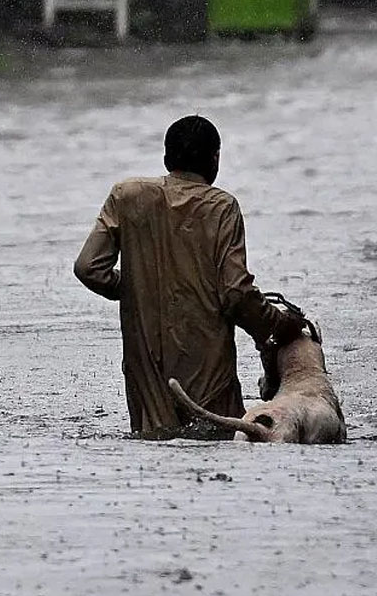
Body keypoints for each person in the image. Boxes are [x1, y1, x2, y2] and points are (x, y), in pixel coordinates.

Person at [73, 115, 305, 438]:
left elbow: (88, 267)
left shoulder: (126, 196)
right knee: (219, 447)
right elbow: (236, 295)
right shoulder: (222, 208)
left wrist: (138, 287)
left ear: (167, 158)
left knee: (154, 452)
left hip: (147, 382)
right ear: (215, 160)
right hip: (210, 382)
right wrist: (281, 325)